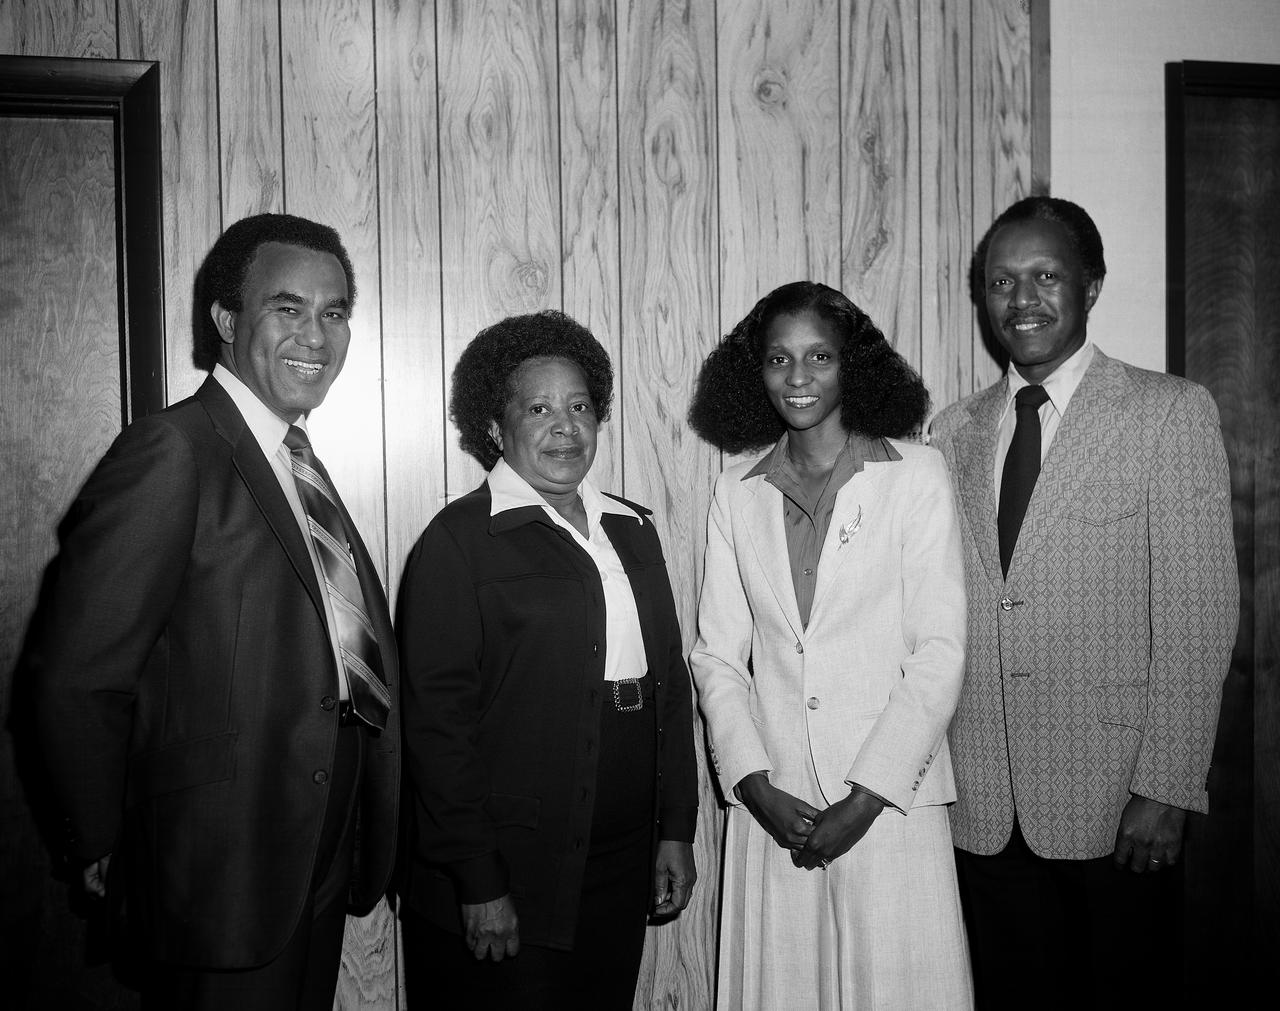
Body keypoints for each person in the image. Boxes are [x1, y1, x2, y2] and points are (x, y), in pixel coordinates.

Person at [27, 213, 400, 1010]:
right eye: (287, 308)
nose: (316, 334)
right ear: (227, 320)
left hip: (314, 838)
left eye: (334, 312)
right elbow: (74, 677)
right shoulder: (173, 450)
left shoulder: (296, 460)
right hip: (218, 866)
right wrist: (101, 839)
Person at [929, 196, 1238, 1008]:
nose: (1021, 299)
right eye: (1002, 282)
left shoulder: (1168, 412)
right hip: (982, 804)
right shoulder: (952, 430)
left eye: (1045, 276)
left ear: (1091, 285)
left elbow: (1198, 617)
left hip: (1117, 802)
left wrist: (1167, 786)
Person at [396, 310, 698, 1008]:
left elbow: (670, 690)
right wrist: (478, 878)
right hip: (510, 869)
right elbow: (437, 729)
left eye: (580, 406)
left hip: (620, 859)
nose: (565, 426)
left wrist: (675, 829)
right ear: (494, 427)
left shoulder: (633, 529)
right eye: (538, 409)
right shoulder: (458, 542)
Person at [688, 281, 973, 1009]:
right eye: (778, 358)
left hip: (890, 803)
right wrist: (754, 784)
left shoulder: (917, 475)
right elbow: (718, 656)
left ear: (854, 365)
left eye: (820, 356)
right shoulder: (735, 490)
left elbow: (939, 650)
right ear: (755, 372)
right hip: (776, 808)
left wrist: (866, 798)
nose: (798, 376)